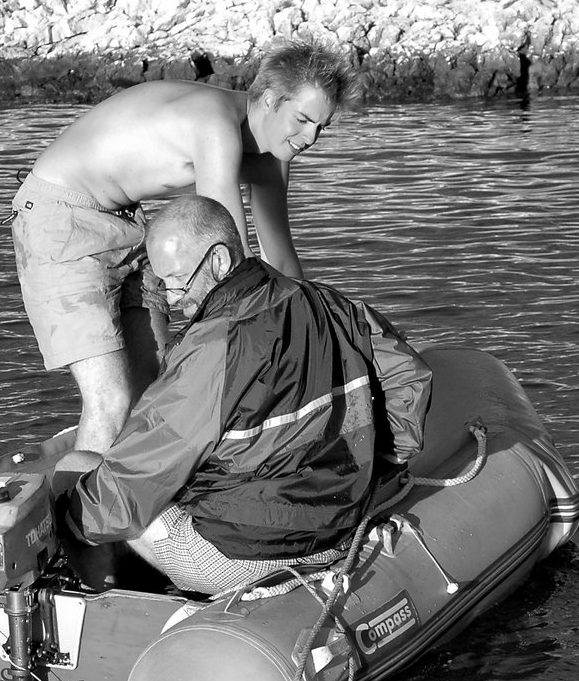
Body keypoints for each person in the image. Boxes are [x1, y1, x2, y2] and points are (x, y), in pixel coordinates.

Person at [55, 195, 432, 596]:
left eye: (178, 280)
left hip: (235, 557)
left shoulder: (212, 349)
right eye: (163, 285)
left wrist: (68, 520)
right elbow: (408, 377)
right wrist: (382, 467)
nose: (173, 299)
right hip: (340, 527)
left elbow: (140, 476)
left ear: (219, 261)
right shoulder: (333, 304)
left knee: (78, 470)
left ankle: (104, 610)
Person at [10, 39, 363, 456]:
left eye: (322, 127)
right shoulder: (215, 126)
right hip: (62, 217)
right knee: (111, 400)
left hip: (127, 223)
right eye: (303, 120)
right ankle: (80, 517)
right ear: (269, 100)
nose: (312, 138)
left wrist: (313, 334)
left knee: (154, 389)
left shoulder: (273, 152)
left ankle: (133, 498)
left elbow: (281, 260)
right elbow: (227, 263)